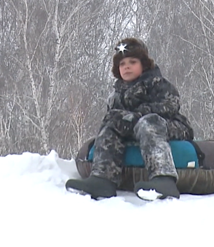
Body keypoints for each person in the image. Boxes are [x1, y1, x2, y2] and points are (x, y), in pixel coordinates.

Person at [65, 37, 194, 199]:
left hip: (167, 125)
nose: (126, 67)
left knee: (148, 122)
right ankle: (102, 179)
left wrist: (138, 114)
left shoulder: (157, 83)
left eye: (132, 62)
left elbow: (170, 105)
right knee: (110, 125)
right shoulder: (116, 94)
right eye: (122, 64)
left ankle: (163, 178)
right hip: (134, 129)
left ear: (143, 64)